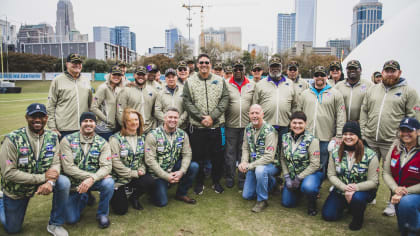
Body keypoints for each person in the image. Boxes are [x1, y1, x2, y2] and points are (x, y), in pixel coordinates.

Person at [360, 60, 420, 216]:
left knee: (394, 172)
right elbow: (364, 111)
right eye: (387, 70)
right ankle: (370, 195)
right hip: (371, 138)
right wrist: (363, 131)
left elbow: (413, 117)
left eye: (393, 71)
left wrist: (404, 139)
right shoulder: (373, 89)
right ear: (382, 72)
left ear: (399, 73)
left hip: (393, 141)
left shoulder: (409, 91)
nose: (389, 73)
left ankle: (392, 201)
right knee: (369, 169)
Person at [0, 103, 69, 235]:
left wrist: (50, 182)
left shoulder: (52, 137)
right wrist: (43, 178)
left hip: (44, 180)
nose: (37, 120)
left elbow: (56, 163)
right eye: (33, 116)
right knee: (13, 229)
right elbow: (8, 172)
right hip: (17, 188)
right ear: (26, 117)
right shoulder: (13, 139)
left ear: (46, 118)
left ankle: (55, 224)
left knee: (64, 182)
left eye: (41, 116)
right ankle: (1, 201)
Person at [183, 53, 229, 195]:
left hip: (217, 126)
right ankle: (199, 182)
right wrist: (201, 117)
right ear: (197, 65)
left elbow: (225, 99)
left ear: (211, 65)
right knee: (198, 157)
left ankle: (216, 182)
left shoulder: (220, 80)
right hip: (198, 127)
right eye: (201, 62)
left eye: (207, 62)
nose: (204, 65)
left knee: (218, 156)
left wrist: (212, 117)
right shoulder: (190, 81)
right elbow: (187, 101)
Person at [60, 112, 114, 229]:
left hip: (93, 182)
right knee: (71, 219)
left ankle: (102, 214)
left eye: (91, 121)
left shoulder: (103, 143)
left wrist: (92, 179)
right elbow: (68, 167)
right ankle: (84, 196)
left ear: (95, 124)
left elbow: (106, 167)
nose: (88, 124)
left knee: (109, 183)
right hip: (74, 184)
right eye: (85, 121)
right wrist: (91, 177)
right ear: (80, 123)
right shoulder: (67, 140)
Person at [322, 121, 379, 231]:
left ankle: (358, 217)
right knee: (328, 215)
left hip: (361, 191)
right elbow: (331, 175)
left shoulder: (371, 155)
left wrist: (355, 188)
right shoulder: (335, 152)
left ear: (358, 136)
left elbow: (374, 181)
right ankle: (347, 205)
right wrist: (344, 187)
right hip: (341, 189)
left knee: (357, 199)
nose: (348, 137)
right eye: (345, 134)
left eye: (352, 134)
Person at [145, 108, 199, 206]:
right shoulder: (153, 135)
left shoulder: (182, 134)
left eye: (175, 118)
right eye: (170, 117)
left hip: (173, 167)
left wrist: (182, 171)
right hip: (158, 174)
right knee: (162, 203)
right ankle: (153, 190)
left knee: (194, 166)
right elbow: (150, 160)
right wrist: (166, 176)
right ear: (164, 118)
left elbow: (187, 154)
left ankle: (181, 193)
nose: (173, 120)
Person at [299, 66, 346, 177]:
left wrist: (339, 135)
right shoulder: (305, 93)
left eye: (322, 75)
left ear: (326, 77)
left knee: (321, 165)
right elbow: (298, 114)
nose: (319, 77)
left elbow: (341, 115)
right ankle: (306, 184)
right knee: (306, 161)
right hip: (307, 136)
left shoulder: (335, 93)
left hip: (325, 136)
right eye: (317, 75)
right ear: (313, 77)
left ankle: (315, 187)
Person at [109, 108, 155, 215]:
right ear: (124, 122)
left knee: (150, 182)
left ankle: (134, 197)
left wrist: (142, 169)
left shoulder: (142, 138)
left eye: (136, 120)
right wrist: (132, 173)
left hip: (136, 175)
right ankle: (117, 194)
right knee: (121, 211)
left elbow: (144, 159)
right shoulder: (115, 139)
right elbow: (115, 162)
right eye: (130, 120)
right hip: (119, 178)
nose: (134, 123)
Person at [238, 104, 279, 213]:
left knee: (260, 170)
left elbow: (269, 157)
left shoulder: (270, 131)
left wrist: (249, 166)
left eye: (257, 113)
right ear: (249, 115)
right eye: (252, 113)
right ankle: (272, 183)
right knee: (247, 195)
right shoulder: (248, 128)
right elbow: (245, 147)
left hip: (271, 164)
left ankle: (262, 200)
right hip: (253, 165)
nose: (255, 115)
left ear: (262, 114)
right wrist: (244, 162)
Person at [383, 117, 420, 235]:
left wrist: (404, 192)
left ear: (418, 132)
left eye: (409, 130)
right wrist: (395, 189)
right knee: (403, 229)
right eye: (403, 130)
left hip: (414, 194)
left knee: (406, 202)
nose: (405, 134)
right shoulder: (396, 146)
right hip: (401, 194)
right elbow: (386, 172)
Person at [280, 111, 322, 216]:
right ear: (290, 124)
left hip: (310, 174)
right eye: (294, 123)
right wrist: (287, 176)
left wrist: (299, 178)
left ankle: (312, 203)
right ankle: (298, 191)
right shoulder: (285, 137)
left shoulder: (312, 140)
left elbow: (315, 164)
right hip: (292, 176)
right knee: (287, 203)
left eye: (300, 123)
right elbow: (282, 158)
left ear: (305, 124)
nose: (297, 126)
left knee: (308, 187)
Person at [253, 56, 297, 147]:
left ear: (282, 68)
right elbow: (255, 105)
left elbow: (295, 105)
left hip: (285, 126)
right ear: (269, 68)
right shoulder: (260, 84)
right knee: (267, 153)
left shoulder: (290, 84)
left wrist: (293, 123)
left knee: (284, 153)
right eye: (273, 67)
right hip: (266, 126)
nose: (275, 69)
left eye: (277, 66)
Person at [224, 60, 255, 189]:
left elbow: (255, 104)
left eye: (240, 69)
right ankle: (230, 177)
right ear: (232, 70)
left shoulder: (252, 84)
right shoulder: (226, 84)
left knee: (244, 153)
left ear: (244, 70)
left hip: (247, 126)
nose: (238, 71)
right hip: (231, 125)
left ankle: (242, 179)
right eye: (235, 69)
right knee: (230, 153)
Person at [47, 53, 92, 140]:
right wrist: (52, 127)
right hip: (64, 129)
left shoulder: (86, 80)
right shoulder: (57, 80)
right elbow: (50, 105)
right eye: (74, 63)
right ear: (67, 64)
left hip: (83, 128)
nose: (77, 65)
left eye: (79, 63)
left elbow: (91, 105)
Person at [117, 66, 158, 134]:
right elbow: (120, 111)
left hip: (149, 130)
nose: (141, 76)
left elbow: (155, 111)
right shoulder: (126, 90)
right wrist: (126, 126)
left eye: (143, 75)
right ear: (134, 75)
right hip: (132, 129)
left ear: (147, 76)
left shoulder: (152, 91)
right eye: (139, 74)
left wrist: (154, 127)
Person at [91, 65, 124, 140]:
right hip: (104, 129)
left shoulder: (117, 88)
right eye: (114, 74)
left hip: (115, 127)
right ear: (109, 75)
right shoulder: (103, 88)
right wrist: (107, 120)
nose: (116, 76)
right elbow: (93, 107)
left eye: (119, 75)